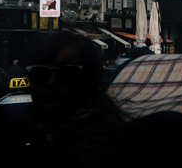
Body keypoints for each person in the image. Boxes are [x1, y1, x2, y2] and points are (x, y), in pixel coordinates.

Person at [27, 32, 127, 166]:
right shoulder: (44, 136)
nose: (52, 82)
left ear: (89, 80)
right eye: (40, 73)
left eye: (67, 73)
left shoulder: (99, 149)